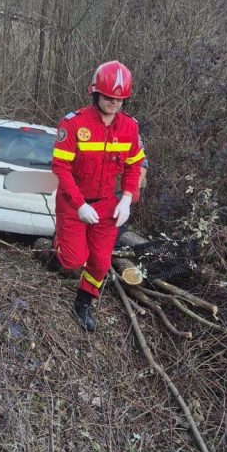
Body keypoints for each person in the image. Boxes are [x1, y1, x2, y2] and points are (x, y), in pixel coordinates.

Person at [50, 61, 145, 332]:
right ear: (95, 94)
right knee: (73, 260)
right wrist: (79, 204)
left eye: (119, 99)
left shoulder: (129, 128)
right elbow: (60, 167)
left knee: (101, 263)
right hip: (73, 203)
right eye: (108, 98)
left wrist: (127, 197)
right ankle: (59, 241)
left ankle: (84, 301)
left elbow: (133, 166)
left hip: (107, 205)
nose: (114, 103)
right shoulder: (74, 123)